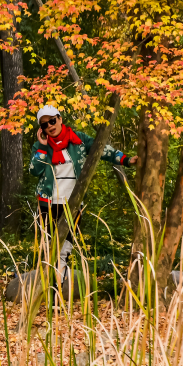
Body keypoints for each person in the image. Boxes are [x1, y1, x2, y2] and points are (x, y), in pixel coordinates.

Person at [30, 105, 137, 278]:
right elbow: (34, 170)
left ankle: (57, 291)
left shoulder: (78, 139)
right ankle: (49, 290)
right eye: (44, 125)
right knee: (49, 249)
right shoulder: (39, 147)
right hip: (47, 204)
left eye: (52, 121)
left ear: (60, 118)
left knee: (64, 248)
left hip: (72, 202)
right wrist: (42, 147)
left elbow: (102, 149)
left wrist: (126, 159)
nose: (49, 126)